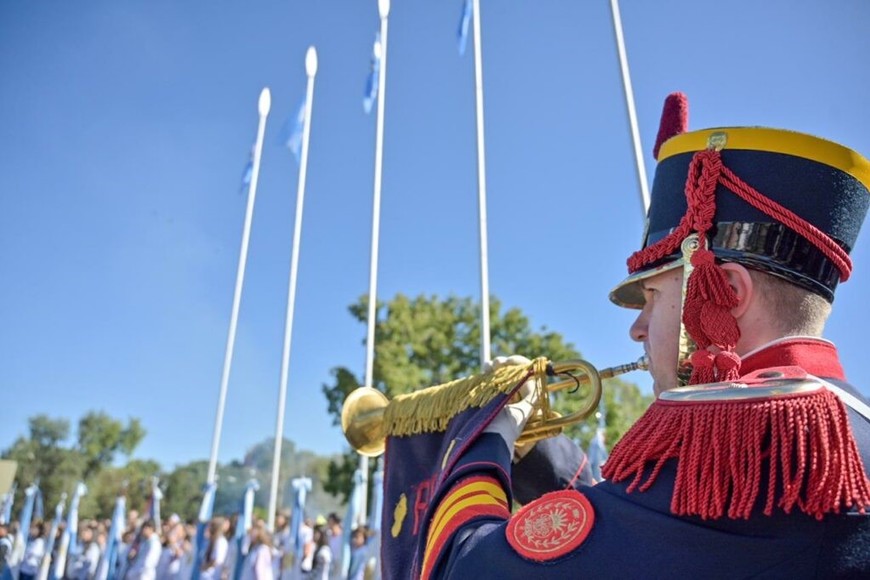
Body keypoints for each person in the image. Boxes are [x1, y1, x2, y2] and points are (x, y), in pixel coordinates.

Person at [385, 94, 870, 577]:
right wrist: (536, 453)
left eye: (655, 296)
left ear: (726, 290)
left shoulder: (739, 431)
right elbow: (637, 540)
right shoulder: (845, 428)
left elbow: (467, 567)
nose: (637, 328)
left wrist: (487, 428)